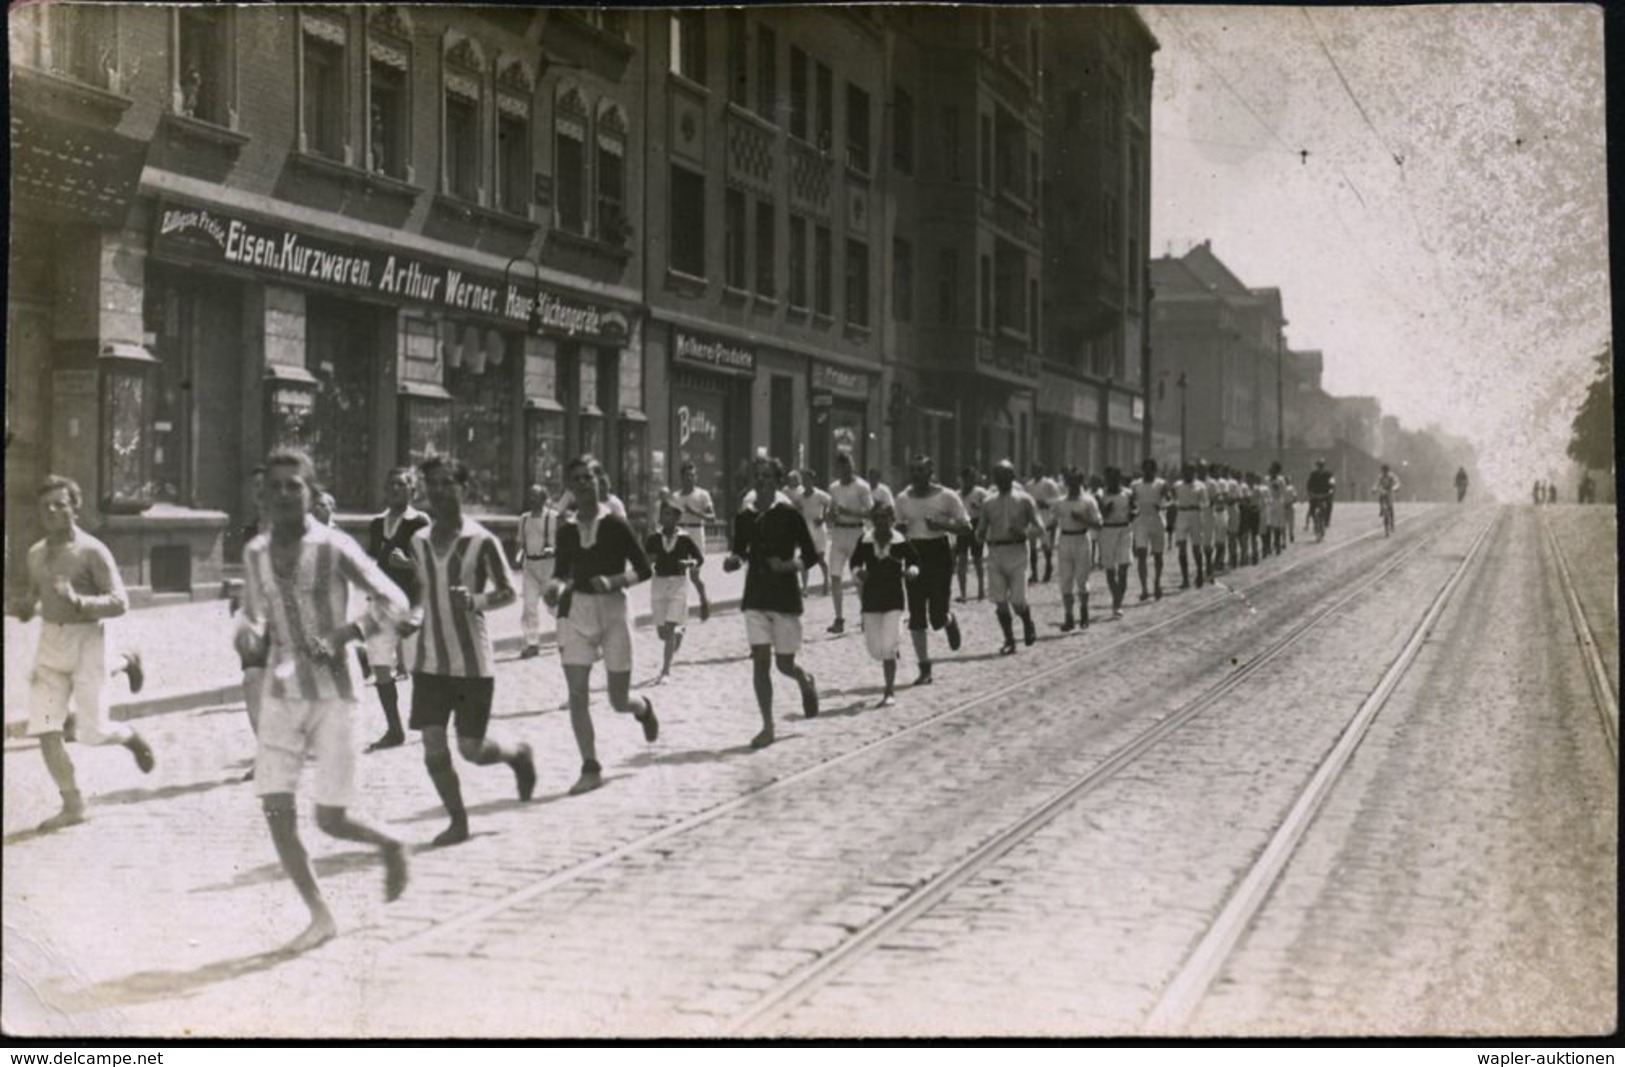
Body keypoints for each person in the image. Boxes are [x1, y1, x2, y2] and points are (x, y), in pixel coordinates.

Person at [235, 449, 408, 950]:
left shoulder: (334, 546)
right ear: (264, 495)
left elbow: (393, 598)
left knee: (331, 818)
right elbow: (253, 614)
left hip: (337, 693)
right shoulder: (255, 553)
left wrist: (350, 631)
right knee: (274, 807)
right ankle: (320, 915)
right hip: (282, 690)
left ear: (311, 491)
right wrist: (246, 632)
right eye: (276, 487)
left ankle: (390, 843)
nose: (285, 494)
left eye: (295, 485)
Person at [400, 457, 536, 842]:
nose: (439, 491)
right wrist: (411, 614)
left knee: (471, 750)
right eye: (432, 485)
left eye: (447, 483)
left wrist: (475, 601)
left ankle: (517, 754)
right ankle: (458, 821)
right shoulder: (418, 541)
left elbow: (510, 592)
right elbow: (418, 592)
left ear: (464, 488)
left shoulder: (482, 541)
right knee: (431, 743)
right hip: (429, 660)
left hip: (473, 662)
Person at [12, 476, 157, 832]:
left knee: (91, 732)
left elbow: (120, 602)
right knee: (46, 730)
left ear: (75, 507)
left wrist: (79, 601)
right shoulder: (35, 553)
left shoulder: (93, 551)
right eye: (46, 506)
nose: (52, 511)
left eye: (60, 504)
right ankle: (73, 804)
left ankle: (130, 732)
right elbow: (34, 595)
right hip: (50, 643)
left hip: (89, 640)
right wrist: (26, 606)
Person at [545, 454, 660, 794]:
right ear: (570, 486)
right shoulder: (565, 530)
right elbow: (562, 572)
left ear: (599, 482)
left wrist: (613, 581)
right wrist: (555, 587)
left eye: (588, 478)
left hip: (614, 612)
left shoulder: (615, 524)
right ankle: (590, 765)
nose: (582, 484)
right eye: (576, 479)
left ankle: (643, 708)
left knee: (618, 699)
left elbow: (643, 568)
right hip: (578, 613)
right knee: (577, 695)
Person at [723, 456, 820, 749]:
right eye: (757, 476)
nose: (761, 481)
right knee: (761, 662)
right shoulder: (745, 515)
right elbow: (740, 550)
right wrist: (734, 560)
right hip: (755, 596)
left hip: (784, 597)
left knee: (784, 664)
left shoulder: (789, 514)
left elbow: (812, 555)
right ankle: (767, 725)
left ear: (778, 482)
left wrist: (789, 566)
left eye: (767, 477)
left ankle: (804, 679)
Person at [363, 467, 429, 751]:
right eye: (390, 485)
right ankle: (394, 729)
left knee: (419, 666)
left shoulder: (419, 521)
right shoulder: (377, 523)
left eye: (401, 485)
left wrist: (410, 564)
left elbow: (433, 564)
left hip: (412, 601)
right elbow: (370, 560)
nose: (394, 489)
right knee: (380, 664)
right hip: (382, 603)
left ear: (412, 491)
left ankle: (430, 722)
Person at [895, 454, 971, 684]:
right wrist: (899, 533)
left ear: (930, 472)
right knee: (917, 615)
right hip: (914, 554)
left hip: (938, 553)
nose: (916, 474)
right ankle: (924, 668)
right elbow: (898, 529)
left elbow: (966, 527)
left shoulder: (947, 496)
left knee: (936, 617)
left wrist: (941, 525)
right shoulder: (902, 499)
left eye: (921, 470)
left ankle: (948, 620)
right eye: (913, 470)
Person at [848, 502, 921, 708]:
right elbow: (854, 562)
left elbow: (914, 559)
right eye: (877, 518)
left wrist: (913, 571)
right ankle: (892, 649)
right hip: (871, 600)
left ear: (892, 520)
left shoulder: (900, 541)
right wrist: (857, 573)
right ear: (872, 520)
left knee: (888, 648)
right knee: (875, 650)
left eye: (885, 518)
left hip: (893, 599)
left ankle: (889, 691)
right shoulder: (865, 540)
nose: (881, 522)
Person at [977, 461, 1041, 654]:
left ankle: (1027, 621)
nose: (1002, 479)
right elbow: (981, 528)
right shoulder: (988, 502)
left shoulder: (1024, 500)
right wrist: (979, 536)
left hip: (1017, 551)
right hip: (996, 552)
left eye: (1006, 475)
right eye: (998, 476)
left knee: (1017, 600)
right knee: (999, 601)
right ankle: (1009, 640)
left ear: (1013, 476)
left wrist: (1024, 532)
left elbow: (1039, 527)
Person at [646, 501, 704, 683]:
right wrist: (649, 561)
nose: (666, 518)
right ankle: (680, 632)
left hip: (678, 582)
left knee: (669, 627)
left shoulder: (685, 539)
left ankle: (665, 671)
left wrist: (690, 563)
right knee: (662, 632)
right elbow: (645, 559)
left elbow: (699, 558)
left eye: (671, 514)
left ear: (678, 518)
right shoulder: (654, 538)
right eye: (664, 514)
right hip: (659, 584)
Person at [824, 451, 874, 634]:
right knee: (835, 576)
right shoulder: (833, 488)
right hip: (838, 533)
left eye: (846, 466)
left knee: (858, 577)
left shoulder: (862, 486)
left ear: (852, 466)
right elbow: (829, 513)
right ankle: (839, 618)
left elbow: (870, 512)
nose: (843, 470)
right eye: (840, 467)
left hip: (856, 533)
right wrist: (830, 515)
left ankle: (865, 615)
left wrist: (848, 512)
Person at [1053, 467, 1103, 631]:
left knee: (1082, 579)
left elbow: (1098, 524)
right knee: (1065, 580)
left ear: (1081, 483)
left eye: (1076, 482)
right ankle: (1069, 616)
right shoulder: (1061, 502)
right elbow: (1053, 521)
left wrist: (1083, 518)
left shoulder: (1088, 501)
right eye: (1070, 482)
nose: (1072, 485)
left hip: (1082, 539)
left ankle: (1084, 611)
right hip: (1065, 540)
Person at [513, 484, 559, 659]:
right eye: (530, 497)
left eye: (536, 497)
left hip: (549, 565)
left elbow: (564, 543)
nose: (532, 501)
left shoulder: (553, 518)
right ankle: (532, 643)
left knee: (553, 605)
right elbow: (520, 542)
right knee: (529, 606)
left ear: (544, 499)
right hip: (530, 566)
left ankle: (567, 635)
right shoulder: (524, 519)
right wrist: (517, 558)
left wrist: (554, 550)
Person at [666, 461, 715, 619]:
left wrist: (694, 512)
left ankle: (703, 599)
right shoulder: (675, 497)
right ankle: (679, 609)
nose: (690, 478)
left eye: (692, 475)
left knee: (694, 575)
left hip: (695, 531)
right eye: (687, 475)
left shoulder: (702, 495)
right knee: (677, 573)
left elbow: (712, 518)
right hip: (680, 533)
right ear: (681, 477)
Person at [1095, 467, 1135, 618]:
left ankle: (1117, 604)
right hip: (1107, 531)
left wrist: (1133, 513)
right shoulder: (1100, 494)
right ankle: (1116, 600)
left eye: (1114, 478)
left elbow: (1133, 509)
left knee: (1123, 568)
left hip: (1124, 530)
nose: (1111, 481)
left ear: (1119, 478)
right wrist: (1106, 510)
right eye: (1108, 478)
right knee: (1110, 569)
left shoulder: (1128, 493)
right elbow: (1101, 514)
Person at [1132, 458, 1169, 601]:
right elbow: (1132, 502)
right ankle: (1144, 589)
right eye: (1145, 469)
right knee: (1141, 555)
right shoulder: (1135, 485)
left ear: (1155, 470)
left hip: (1157, 520)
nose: (1148, 471)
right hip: (1141, 521)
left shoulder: (1161, 484)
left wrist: (1163, 505)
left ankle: (1157, 584)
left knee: (1158, 556)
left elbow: (1170, 500)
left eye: (1151, 469)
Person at [794, 469, 833, 595]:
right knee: (804, 560)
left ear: (812, 481)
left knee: (820, 559)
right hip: (806, 531)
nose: (806, 482)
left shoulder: (820, 495)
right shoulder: (800, 496)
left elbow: (832, 505)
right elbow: (797, 509)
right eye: (804, 480)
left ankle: (826, 581)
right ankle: (805, 588)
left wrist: (824, 518)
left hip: (819, 530)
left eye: (808, 480)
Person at [955, 466, 989, 603]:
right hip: (962, 526)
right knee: (961, 560)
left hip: (976, 524)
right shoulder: (956, 495)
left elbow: (988, 510)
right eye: (965, 479)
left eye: (971, 479)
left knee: (977, 559)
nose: (968, 482)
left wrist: (979, 509)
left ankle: (981, 589)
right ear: (961, 480)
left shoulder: (980, 493)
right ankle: (963, 593)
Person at [1171, 464, 1207, 588]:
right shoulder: (1177, 485)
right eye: (1186, 471)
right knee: (1181, 547)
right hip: (1181, 514)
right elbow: (1173, 500)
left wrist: (1200, 508)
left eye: (1191, 471)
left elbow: (1205, 502)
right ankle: (1185, 579)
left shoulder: (1200, 486)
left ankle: (1200, 574)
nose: (1188, 474)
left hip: (1195, 515)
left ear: (1194, 472)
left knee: (1196, 548)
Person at [1025, 463, 1060, 583]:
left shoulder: (1049, 483)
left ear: (1042, 471)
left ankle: (1048, 568)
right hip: (1033, 518)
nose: (1035, 472)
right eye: (1034, 470)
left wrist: (1045, 503)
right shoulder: (1029, 485)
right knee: (1032, 547)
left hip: (1046, 517)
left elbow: (1057, 499)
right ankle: (1034, 573)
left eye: (1038, 470)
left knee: (1046, 546)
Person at [1306, 459, 1335, 534]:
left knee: (1329, 505)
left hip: (1325, 495)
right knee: (1312, 508)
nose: (1320, 467)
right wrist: (1309, 492)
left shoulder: (1329, 474)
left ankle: (1326, 521)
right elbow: (1309, 484)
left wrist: (1331, 491)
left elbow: (1332, 484)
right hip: (1315, 495)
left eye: (1321, 465)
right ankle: (1315, 522)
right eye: (1319, 465)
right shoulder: (1313, 474)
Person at [1374, 464, 1401, 530]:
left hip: (1390, 490)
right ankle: (1381, 509)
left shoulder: (1391, 476)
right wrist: (1374, 489)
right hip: (1383, 490)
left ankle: (1392, 523)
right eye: (1383, 471)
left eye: (1385, 471)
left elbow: (1397, 482)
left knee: (1390, 506)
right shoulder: (1380, 476)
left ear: (1388, 471)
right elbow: (1376, 483)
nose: (1384, 472)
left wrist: (1395, 488)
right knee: (1380, 498)